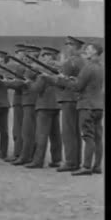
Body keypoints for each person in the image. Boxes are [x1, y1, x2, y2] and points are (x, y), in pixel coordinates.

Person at [50, 43, 104, 176]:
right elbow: (91, 84)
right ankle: (97, 166)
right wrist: (76, 80)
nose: (86, 51)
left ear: (95, 52)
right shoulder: (101, 67)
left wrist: (63, 80)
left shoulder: (88, 67)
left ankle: (86, 167)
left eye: (90, 49)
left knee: (88, 137)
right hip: (98, 105)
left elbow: (78, 87)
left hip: (86, 105)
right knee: (97, 138)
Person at [24, 47, 62, 169]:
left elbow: (36, 89)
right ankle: (57, 159)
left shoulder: (44, 72)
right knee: (55, 134)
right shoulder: (58, 69)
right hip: (56, 104)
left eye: (46, 55)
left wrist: (28, 83)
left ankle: (38, 160)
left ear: (50, 57)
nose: (44, 57)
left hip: (44, 105)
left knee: (41, 134)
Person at [54, 36, 86, 172]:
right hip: (78, 99)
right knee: (75, 132)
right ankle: (76, 161)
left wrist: (56, 79)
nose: (67, 47)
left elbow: (62, 82)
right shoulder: (83, 61)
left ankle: (70, 162)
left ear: (74, 46)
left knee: (68, 132)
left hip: (68, 98)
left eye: (69, 45)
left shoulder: (70, 62)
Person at [4, 44, 27, 162]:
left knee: (18, 128)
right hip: (23, 101)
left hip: (20, 100)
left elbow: (19, 83)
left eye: (19, 53)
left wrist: (6, 83)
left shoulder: (21, 67)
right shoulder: (24, 66)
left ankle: (18, 153)